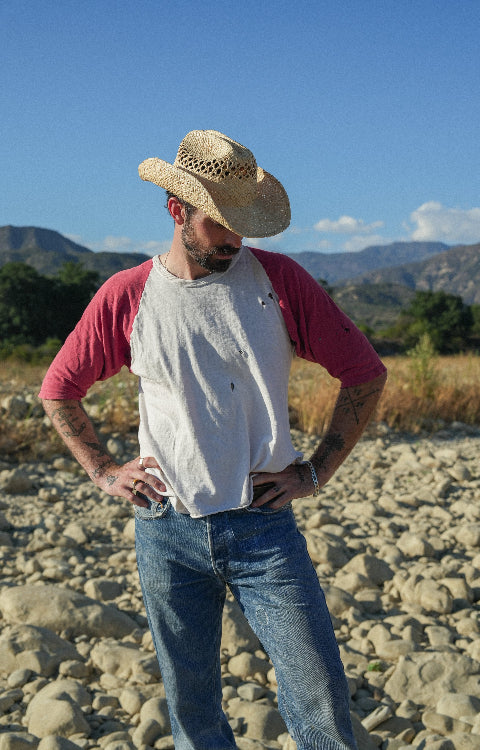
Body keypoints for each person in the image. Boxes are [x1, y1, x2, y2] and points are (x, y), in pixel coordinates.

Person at [40, 129, 387, 750]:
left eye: (242, 224)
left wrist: (316, 472)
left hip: (264, 525)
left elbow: (365, 372)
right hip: (165, 526)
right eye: (220, 222)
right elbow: (59, 389)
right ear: (176, 209)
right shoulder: (128, 294)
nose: (234, 238)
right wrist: (102, 471)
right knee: (193, 710)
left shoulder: (280, 282)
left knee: (320, 701)